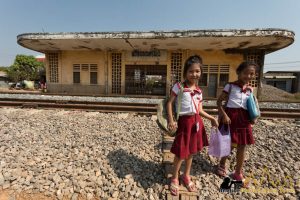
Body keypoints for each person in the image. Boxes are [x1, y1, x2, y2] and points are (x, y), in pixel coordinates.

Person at [167, 55, 218, 196]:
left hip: (196, 123)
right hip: (184, 123)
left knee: (191, 152)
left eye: (197, 71)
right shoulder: (179, 87)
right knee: (180, 152)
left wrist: (211, 118)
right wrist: (171, 120)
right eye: (191, 71)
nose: (194, 74)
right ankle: (175, 177)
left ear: (201, 73)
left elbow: (199, 110)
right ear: (185, 73)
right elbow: (169, 103)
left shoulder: (199, 91)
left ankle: (186, 175)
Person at [216, 61, 257, 188]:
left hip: (244, 119)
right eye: (246, 73)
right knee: (228, 143)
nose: (248, 76)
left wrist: (253, 116)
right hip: (230, 117)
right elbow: (219, 102)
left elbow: (252, 105)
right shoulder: (230, 86)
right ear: (239, 72)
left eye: (252, 74)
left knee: (242, 145)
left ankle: (238, 172)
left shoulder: (250, 89)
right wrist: (224, 115)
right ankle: (222, 163)